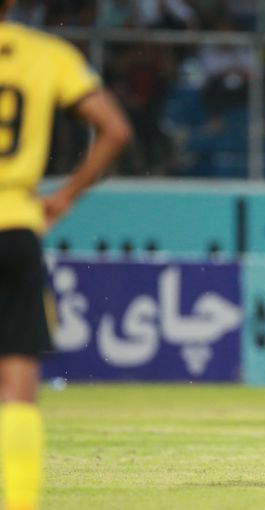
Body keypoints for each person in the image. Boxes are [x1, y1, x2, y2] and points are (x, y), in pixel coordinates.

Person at [0, 3, 132, 508]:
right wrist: (64, 196)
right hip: (15, 224)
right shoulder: (46, 54)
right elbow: (115, 130)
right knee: (17, 382)